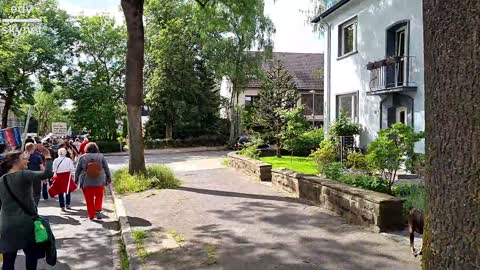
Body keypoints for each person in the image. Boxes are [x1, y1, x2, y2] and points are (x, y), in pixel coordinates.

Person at [0, 148, 53, 270]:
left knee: (8, 261)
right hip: (27, 224)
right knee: (31, 258)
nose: (27, 162)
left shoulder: (1, 180)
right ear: (15, 162)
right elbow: (47, 174)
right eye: (24, 159)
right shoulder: (24, 174)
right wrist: (48, 156)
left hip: (7, 226)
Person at [75, 143, 111, 220]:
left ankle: (91, 215)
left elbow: (77, 170)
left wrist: (76, 179)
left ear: (86, 149)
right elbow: (106, 168)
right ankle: (97, 211)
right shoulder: (101, 156)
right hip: (99, 180)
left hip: (86, 181)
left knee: (89, 199)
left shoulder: (82, 157)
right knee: (99, 196)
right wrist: (108, 177)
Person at [25, 143, 44, 207]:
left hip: (25, 177)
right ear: (33, 149)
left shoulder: (21, 156)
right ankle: (34, 209)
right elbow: (42, 168)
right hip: (36, 177)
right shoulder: (38, 156)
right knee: (36, 194)